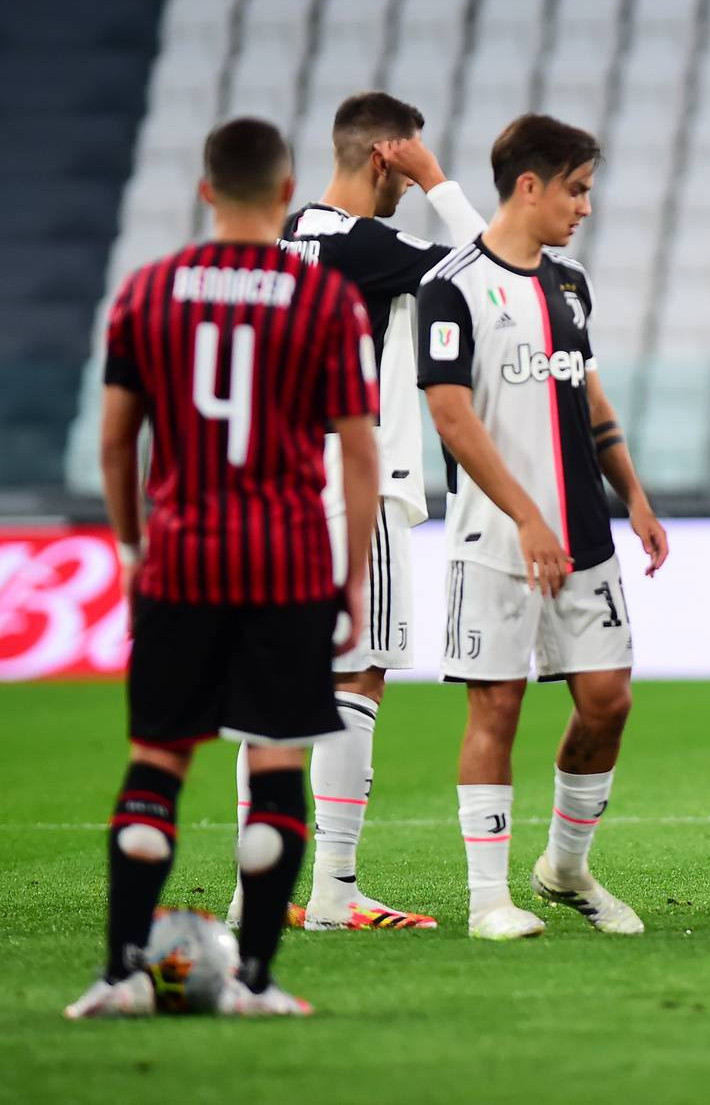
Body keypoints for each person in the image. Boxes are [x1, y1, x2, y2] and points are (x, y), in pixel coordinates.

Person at [68, 118, 378, 1018]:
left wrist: (132, 544)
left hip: (180, 558)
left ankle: (120, 974)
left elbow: (118, 439)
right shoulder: (325, 302)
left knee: (156, 762)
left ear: (207, 192)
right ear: (287, 194)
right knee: (276, 766)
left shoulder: (147, 293)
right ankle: (256, 982)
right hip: (284, 561)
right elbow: (359, 452)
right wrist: (350, 576)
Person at [225, 91, 487, 933]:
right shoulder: (366, 244)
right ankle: (335, 889)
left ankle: (250, 885)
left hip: (268, 478)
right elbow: (494, 273)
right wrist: (439, 178)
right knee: (355, 673)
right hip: (351, 477)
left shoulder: (286, 234)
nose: (407, 186)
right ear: (386, 156)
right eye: (403, 169)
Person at [418, 114, 669, 940]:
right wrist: (526, 516)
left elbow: (588, 397)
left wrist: (631, 492)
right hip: (497, 540)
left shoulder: (569, 283)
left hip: (584, 536)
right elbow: (452, 418)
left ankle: (564, 870)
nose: (585, 206)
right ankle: (488, 898)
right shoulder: (451, 286)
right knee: (497, 709)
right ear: (530, 185)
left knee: (609, 700)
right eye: (577, 189)